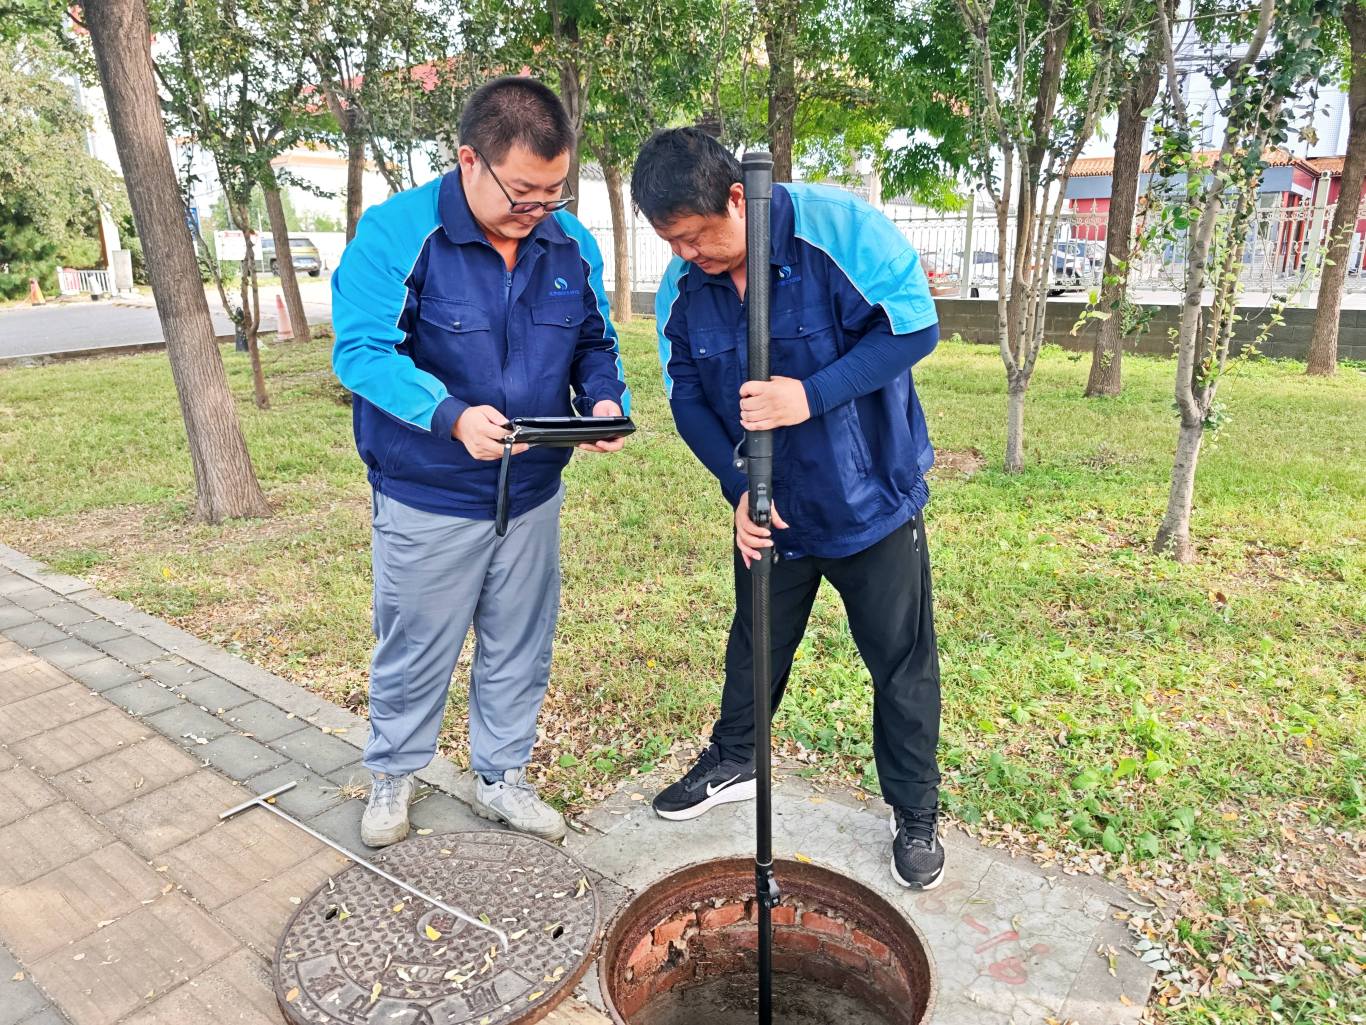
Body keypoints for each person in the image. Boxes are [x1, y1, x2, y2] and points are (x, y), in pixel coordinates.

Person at [630, 127, 945, 889]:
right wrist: (739, 492)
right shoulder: (686, 284)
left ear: (738, 198)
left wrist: (808, 395)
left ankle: (916, 813)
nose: (685, 256)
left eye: (695, 237)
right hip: (771, 509)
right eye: (671, 242)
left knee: (900, 665)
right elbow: (688, 399)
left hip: (869, 501)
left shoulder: (841, 229)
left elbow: (915, 328)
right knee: (755, 644)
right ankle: (735, 756)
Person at [332, 77, 629, 848]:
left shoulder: (570, 242)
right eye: (524, 193)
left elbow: (595, 341)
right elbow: (362, 350)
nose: (538, 211)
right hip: (429, 492)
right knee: (415, 642)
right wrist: (451, 415)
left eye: (554, 194)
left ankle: (502, 773)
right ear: (470, 160)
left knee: (520, 640)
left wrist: (600, 402)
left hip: (531, 492)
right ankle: (394, 773)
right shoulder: (397, 234)